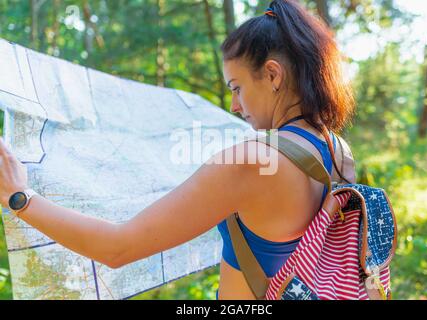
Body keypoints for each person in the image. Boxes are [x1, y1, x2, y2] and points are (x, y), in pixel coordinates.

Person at [0, 0, 356, 300]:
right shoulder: (336, 148)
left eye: (236, 87)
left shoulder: (254, 161)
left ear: (274, 76)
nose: (234, 106)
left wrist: (20, 196)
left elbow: (117, 248)